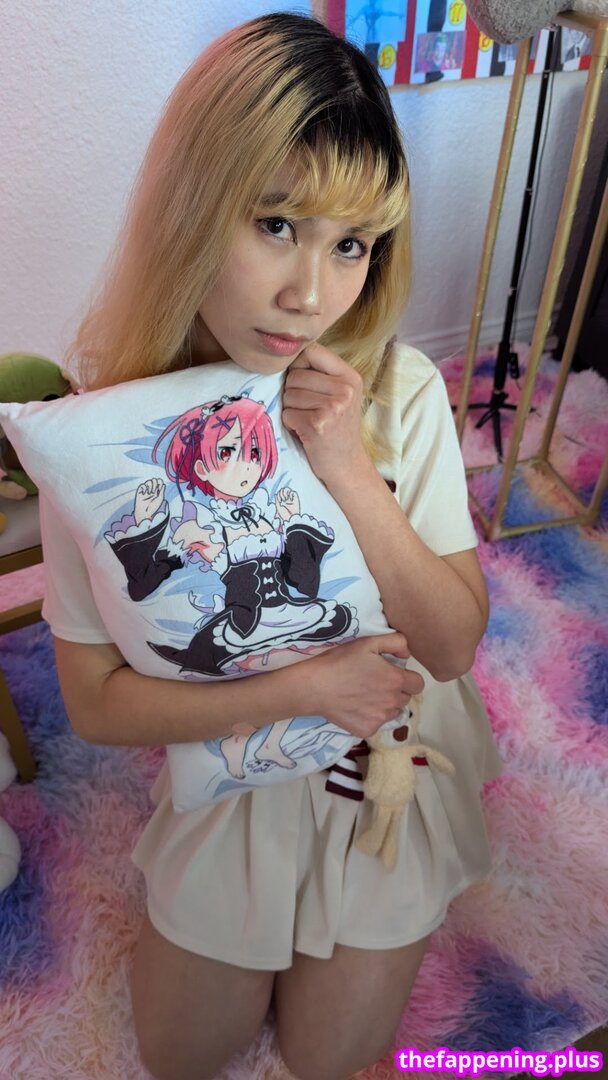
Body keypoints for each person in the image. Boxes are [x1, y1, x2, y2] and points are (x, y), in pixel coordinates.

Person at [40, 12, 503, 1080]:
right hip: (231, 764)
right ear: (194, 207)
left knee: (328, 1058)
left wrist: (346, 465)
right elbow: (94, 703)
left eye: (350, 244)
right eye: (276, 223)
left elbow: (452, 646)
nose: (311, 295)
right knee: (182, 1054)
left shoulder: (397, 390)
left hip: (381, 765)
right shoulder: (103, 434)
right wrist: (304, 690)